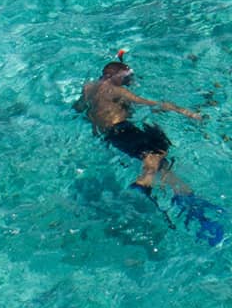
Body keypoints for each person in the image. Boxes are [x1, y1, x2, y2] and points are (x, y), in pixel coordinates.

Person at [77, 53, 223, 245]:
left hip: (112, 136)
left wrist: (97, 126)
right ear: (116, 77)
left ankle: (186, 198)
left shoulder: (89, 87)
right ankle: (140, 189)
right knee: (158, 149)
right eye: (127, 78)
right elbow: (154, 104)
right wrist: (187, 113)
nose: (129, 82)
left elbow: (80, 108)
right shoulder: (117, 90)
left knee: (163, 166)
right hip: (124, 130)